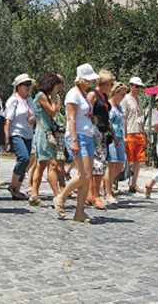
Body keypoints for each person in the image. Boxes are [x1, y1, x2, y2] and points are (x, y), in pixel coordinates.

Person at [53, 64, 100, 223]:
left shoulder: (83, 94)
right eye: (89, 79)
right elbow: (71, 118)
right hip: (77, 136)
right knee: (84, 174)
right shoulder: (73, 94)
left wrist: (91, 119)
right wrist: (73, 140)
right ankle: (61, 197)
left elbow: (81, 115)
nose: (92, 81)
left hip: (87, 135)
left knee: (87, 176)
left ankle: (80, 213)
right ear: (83, 79)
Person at [29, 72, 64, 206]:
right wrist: (54, 98)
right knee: (53, 164)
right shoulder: (42, 96)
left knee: (41, 164)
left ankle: (34, 194)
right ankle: (57, 195)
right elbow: (53, 111)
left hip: (47, 131)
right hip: (43, 133)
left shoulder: (45, 96)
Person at [3, 73, 36, 201]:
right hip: (16, 133)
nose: (29, 87)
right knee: (24, 157)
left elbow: (33, 115)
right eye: (26, 84)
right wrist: (6, 137)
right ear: (18, 86)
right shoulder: (13, 100)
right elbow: (8, 119)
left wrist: (33, 119)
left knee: (26, 161)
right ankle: (13, 186)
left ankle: (16, 188)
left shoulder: (30, 101)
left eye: (30, 84)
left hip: (28, 133)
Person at [86, 70, 116, 209]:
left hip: (104, 134)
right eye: (110, 84)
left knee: (99, 166)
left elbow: (108, 118)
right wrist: (92, 119)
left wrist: (113, 134)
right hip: (95, 133)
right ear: (104, 84)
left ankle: (91, 194)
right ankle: (96, 195)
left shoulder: (104, 97)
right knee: (98, 166)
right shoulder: (93, 95)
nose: (111, 87)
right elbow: (85, 112)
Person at [122, 76, 147, 194]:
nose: (138, 89)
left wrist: (143, 131)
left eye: (140, 87)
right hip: (130, 132)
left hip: (138, 132)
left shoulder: (139, 101)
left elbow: (140, 117)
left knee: (138, 160)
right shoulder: (125, 99)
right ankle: (113, 181)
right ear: (131, 86)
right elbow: (124, 118)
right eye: (137, 86)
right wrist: (124, 135)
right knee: (126, 159)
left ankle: (133, 184)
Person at [105, 82, 128, 204]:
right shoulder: (109, 105)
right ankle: (108, 192)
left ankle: (105, 184)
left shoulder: (119, 107)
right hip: (111, 137)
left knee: (120, 165)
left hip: (119, 137)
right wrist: (113, 135)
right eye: (122, 94)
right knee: (112, 164)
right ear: (114, 93)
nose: (123, 97)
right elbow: (108, 122)